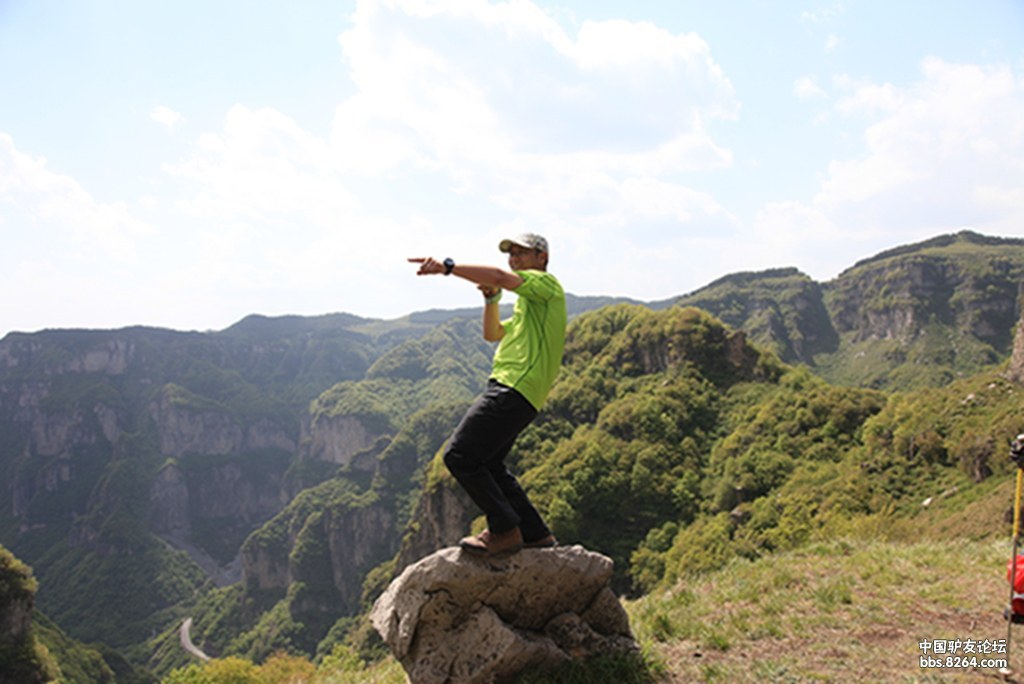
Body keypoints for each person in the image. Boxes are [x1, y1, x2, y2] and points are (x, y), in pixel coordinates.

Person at [408, 233, 567, 557]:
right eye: (512, 254)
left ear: (542, 258)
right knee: (490, 464)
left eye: (523, 253)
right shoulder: (529, 308)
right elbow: (491, 333)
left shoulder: (546, 286)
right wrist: (492, 300)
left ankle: (505, 530)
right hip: (520, 393)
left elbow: (497, 276)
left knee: (460, 456)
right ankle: (536, 534)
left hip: (512, 387)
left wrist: (447, 267)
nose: (515, 258)